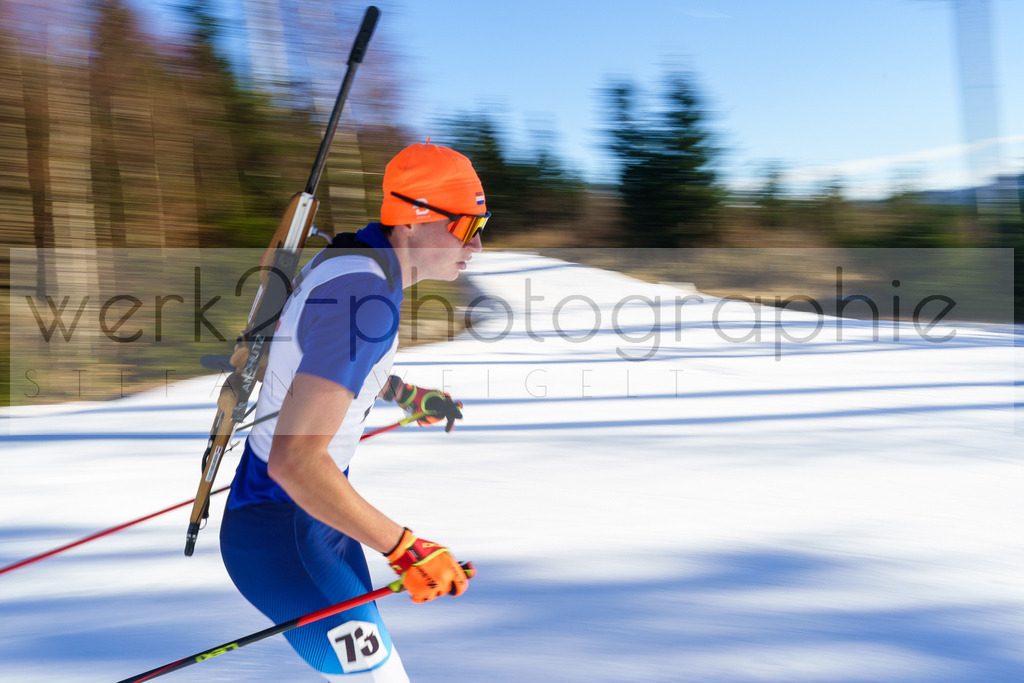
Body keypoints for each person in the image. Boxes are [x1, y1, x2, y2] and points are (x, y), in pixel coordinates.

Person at [219, 143, 488, 682]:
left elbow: (319, 362)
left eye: (482, 226)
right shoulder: (365, 299)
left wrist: (405, 394)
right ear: (412, 219)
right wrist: (406, 549)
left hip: (317, 518)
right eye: (464, 226)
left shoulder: (350, 261)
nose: (476, 245)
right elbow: (295, 462)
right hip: (284, 528)